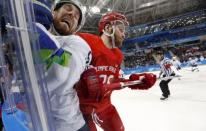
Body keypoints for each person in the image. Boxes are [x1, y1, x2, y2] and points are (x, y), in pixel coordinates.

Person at [75, 12, 156, 131]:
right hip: (81, 109)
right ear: (108, 28)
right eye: (121, 29)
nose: (124, 35)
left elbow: (113, 80)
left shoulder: (118, 55)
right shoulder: (85, 41)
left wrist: (135, 81)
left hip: (105, 106)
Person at [33, 0, 91, 131]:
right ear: (53, 12)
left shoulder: (78, 44)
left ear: (75, 28)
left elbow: (60, 73)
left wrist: (34, 29)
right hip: (28, 123)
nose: (72, 14)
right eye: (68, 8)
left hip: (69, 126)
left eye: (76, 16)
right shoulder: (28, 33)